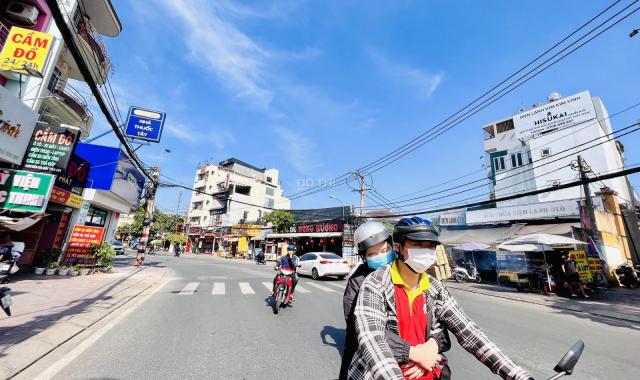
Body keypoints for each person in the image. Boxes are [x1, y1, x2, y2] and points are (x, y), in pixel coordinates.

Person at [349, 217, 533, 380]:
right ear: (399, 248)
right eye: (418, 245)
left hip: (429, 372)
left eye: (430, 246)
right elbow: (372, 338)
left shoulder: (435, 287)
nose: (426, 251)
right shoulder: (375, 283)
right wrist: (413, 355)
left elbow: (469, 332)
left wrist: (518, 374)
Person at [340, 221, 450, 380]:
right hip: (381, 361)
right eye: (372, 254)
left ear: (395, 247)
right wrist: (412, 354)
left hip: (425, 363)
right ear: (364, 257)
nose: (380, 256)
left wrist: (427, 353)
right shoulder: (360, 282)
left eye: (385, 250)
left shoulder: (415, 272)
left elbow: (441, 326)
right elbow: (361, 329)